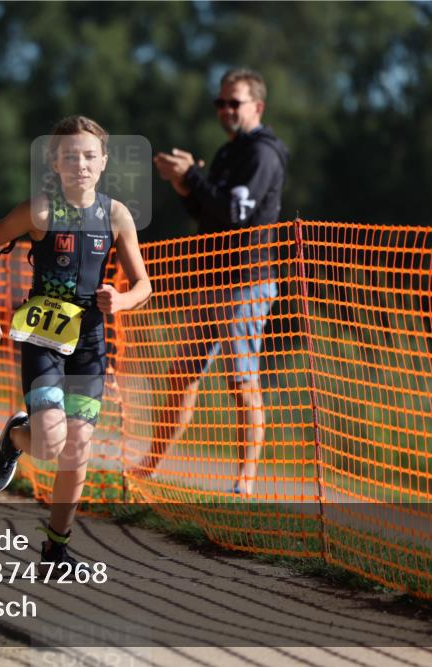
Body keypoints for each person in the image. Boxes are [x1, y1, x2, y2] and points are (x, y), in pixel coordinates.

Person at [0, 115, 152, 568]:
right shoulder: (39, 211)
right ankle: (15, 439)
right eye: (70, 157)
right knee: (50, 444)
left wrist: (121, 300)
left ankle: (56, 547)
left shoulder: (116, 215)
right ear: (55, 163)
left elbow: (143, 285)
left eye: (89, 156)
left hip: (90, 342)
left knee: (78, 447)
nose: (80, 164)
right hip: (44, 339)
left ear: (104, 161)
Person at [140, 68, 289, 496]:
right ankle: (149, 466)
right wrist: (184, 185)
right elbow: (208, 214)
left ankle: (245, 481)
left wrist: (192, 177)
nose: (225, 110)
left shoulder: (263, 153)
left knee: (241, 381)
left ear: (257, 106)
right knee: (181, 374)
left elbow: (236, 212)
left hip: (247, 281)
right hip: (211, 280)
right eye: (220, 102)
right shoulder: (228, 152)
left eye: (233, 102)